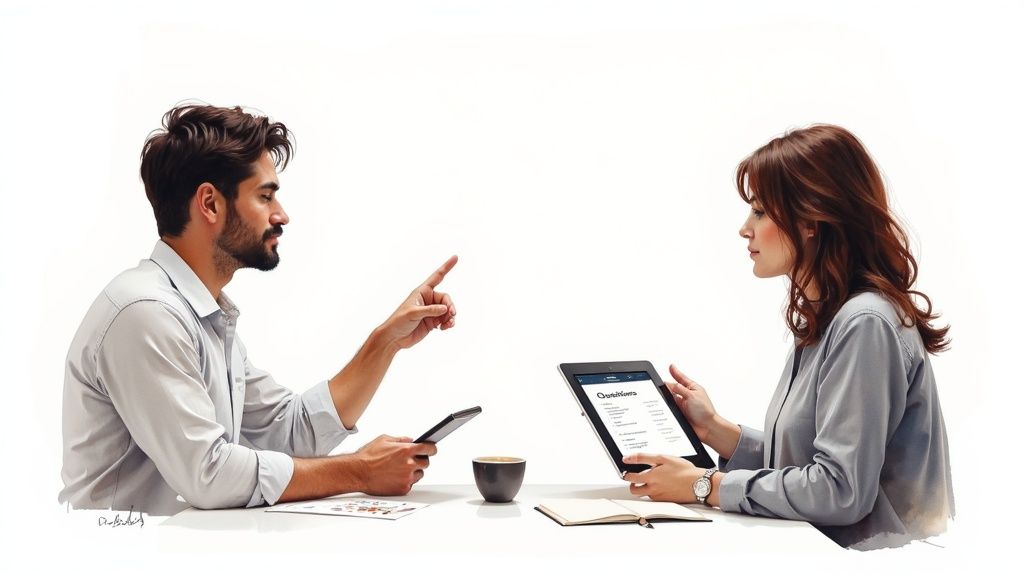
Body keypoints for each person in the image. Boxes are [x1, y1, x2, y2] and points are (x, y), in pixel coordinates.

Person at [60, 104, 458, 515]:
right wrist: (358, 472)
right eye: (265, 195)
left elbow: (291, 431)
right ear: (210, 204)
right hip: (113, 557)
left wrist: (386, 342)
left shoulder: (204, 316)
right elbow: (209, 476)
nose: (281, 215)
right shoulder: (145, 313)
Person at [621, 125, 955, 550]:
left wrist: (705, 486)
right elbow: (808, 466)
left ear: (812, 220)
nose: (745, 229)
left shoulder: (864, 323)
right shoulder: (830, 319)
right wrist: (717, 430)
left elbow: (839, 491)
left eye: (760, 212)